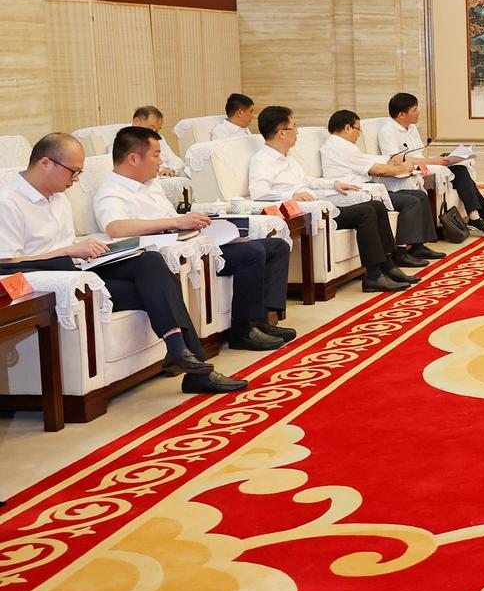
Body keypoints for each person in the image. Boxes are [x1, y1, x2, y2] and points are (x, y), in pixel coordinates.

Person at [0, 133, 245, 393]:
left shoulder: (58, 197)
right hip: (51, 281)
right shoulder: (8, 202)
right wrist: (67, 251)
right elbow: (7, 263)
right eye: (73, 171)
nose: (77, 179)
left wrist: (87, 250)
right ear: (46, 163)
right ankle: (192, 365)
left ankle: (180, 353)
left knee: (150, 261)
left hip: (80, 271)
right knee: (159, 290)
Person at [96, 125, 295, 352]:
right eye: (156, 155)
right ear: (133, 158)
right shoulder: (112, 191)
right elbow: (116, 228)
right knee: (252, 252)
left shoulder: (150, 184)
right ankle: (243, 330)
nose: (161, 161)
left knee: (276, 246)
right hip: (172, 255)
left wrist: (193, 221)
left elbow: (172, 218)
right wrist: (175, 223)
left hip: (192, 242)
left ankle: (262, 319)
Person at [247, 106, 420, 293]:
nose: (297, 132)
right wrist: (291, 195)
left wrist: (333, 183)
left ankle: (388, 266)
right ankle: (373, 277)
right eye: (294, 126)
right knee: (366, 212)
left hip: (316, 204)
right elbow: (259, 193)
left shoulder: (287, 157)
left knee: (377, 206)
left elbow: (306, 181)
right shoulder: (262, 160)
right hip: (306, 211)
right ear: (282, 133)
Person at [371, 93, 484, 233]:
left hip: (423, 164)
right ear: (402, 114)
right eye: (415, 110)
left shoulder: (412, 128)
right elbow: (396, 159)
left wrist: (440, 159)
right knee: (460, 173)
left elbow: (418, 153)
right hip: (408, 171)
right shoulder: (387, 131)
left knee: (460, 169)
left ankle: (478, 216)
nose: (419, 112)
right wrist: (432, 161)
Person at [321, 110, 442, 263]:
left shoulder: (339, 145)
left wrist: (389, 160)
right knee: (410, 201)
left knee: (419, 195)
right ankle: (401, 252)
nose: (359, 134)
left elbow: (366, 159)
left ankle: (418, 246)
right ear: (348, 128)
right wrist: (403, 168)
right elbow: (378, 170)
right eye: (358, 129)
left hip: (367, 188)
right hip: (358, 192)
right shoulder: (342, 147)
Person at [131, 105, 183, 175]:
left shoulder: (159, 138)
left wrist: (171, 169)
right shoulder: (124, 141)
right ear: (136, 122)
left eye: (157, 131)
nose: (154, 134)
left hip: (166, 176)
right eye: (151, 128)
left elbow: (177, 160)